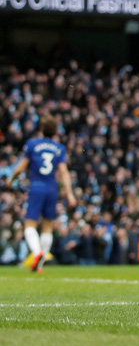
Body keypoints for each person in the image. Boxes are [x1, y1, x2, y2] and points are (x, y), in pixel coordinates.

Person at [5, 114, 76, 272]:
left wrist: (11, 179)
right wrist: (70, 194)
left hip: (36, 187)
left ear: (41, 129)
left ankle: (37, 254)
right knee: (48, 227)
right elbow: (64, 172)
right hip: (52, 189)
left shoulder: (32, 144)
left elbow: (21, 167)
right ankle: (40, 264)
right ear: (55, 132)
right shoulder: (60, 148)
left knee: (29, 224)